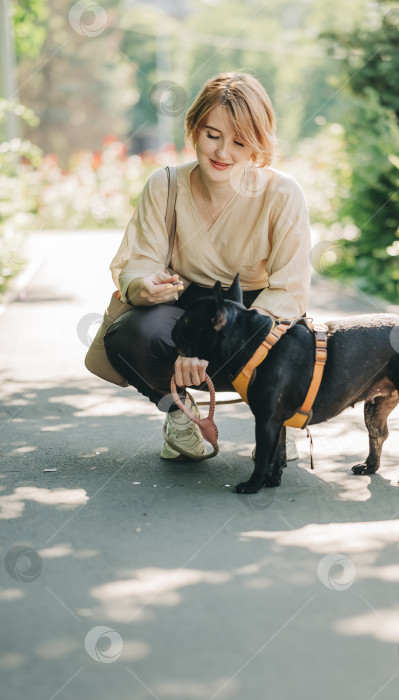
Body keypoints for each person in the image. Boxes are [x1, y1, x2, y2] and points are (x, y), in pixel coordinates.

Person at [103, 72, 311, 461]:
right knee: (133, 333)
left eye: (240, 141)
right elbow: (141, 259)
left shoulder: (282, 193)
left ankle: (279, 415)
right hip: (184, 307)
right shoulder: (164, 184)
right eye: (213, 135)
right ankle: (179, 414)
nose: (223, 152)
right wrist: (141, 285)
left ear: (258, 145)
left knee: (289, 338)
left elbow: (289, 290)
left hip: (257, 313)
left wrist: (209, 341)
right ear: (195, 127)